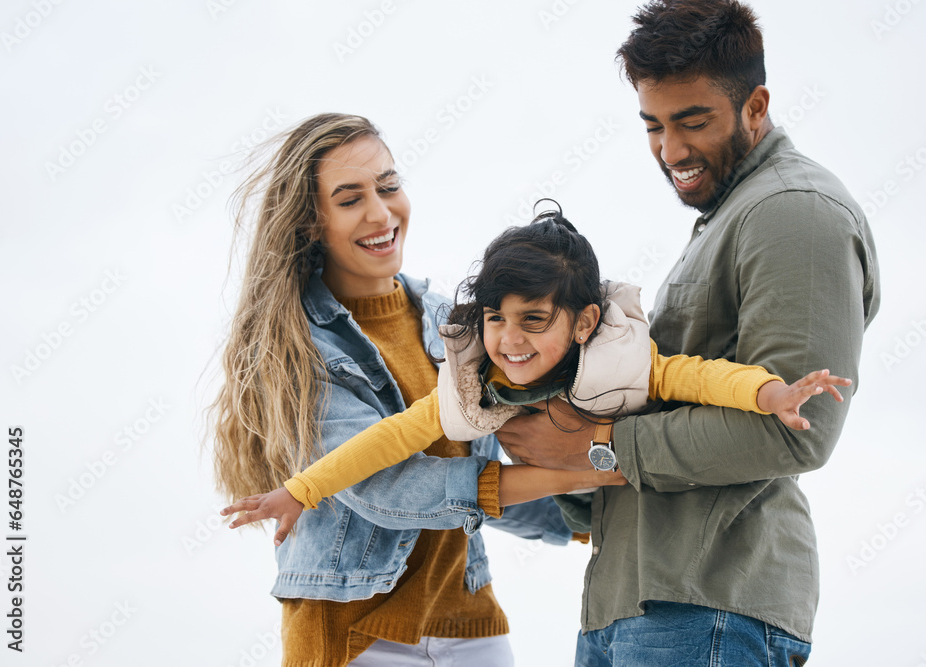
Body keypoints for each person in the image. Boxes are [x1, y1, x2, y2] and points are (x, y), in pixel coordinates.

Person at [494, 2, 881, 665]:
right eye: (653, 125)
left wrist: (595, 444)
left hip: (707, 611)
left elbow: (800, 425)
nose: (671, 151)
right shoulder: (729, 216)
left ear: (755, 106)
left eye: (692, 122)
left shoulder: (792, 213)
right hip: (636, 605)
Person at [210, 114, 596, 667]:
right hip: (353, 633)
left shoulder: (455, 324)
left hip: (469, 621)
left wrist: (592, 512)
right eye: (349, 199)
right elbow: (386, 486)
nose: (380, 212)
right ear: (310, 223)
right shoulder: (294, 347)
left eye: (388, 186)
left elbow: (496, 476)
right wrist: (592, 472)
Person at [225, 207, 851, 544]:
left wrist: (771, 392)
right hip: (580, 505)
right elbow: (387, 440)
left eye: (534, 320)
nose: (509, 340)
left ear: (583, 325)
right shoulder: (478, 383)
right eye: (496, 318)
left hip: (656, 484)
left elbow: (697, 376)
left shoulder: (619, 359)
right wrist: (300, 491)